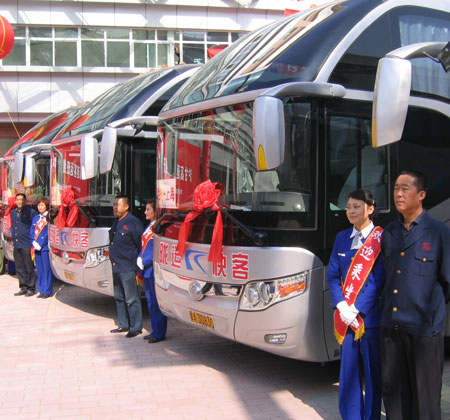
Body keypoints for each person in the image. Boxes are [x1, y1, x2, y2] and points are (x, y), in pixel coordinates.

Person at [380, 170, 450, 420]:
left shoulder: (438, 232)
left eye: (405, 189)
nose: (398, 194)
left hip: (424, 330)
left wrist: (429, 311)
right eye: (396, 188)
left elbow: (447, 281)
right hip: (393, 327)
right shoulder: (389, 232)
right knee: (395, 395)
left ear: (421, 195)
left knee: (425, 397)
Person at [328, 189, 384, 420]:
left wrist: (357, 309)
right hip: (346, 319)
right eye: (348, 207)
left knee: (372, 372)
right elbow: (333, 276)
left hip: (369, 318)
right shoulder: (341, 238)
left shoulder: (381, 239)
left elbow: (379, 279)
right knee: (348, 372)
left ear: (370, 209)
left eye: (356, 207)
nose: (350, 211)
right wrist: (341, 305)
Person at [109, 195, 144, 338]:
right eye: (114, 205)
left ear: (126, 206)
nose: (115, 207)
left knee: (131, 298)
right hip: (116, 265)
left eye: (118, 205)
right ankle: (123, 324)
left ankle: (136, 327)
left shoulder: (133, 222)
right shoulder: (116, 221)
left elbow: (140, 244)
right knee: (119, 297)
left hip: (128, 267)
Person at [137, 200, 167, 343]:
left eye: (148, 209)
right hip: (146, 269)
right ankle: (155, 330)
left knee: (155, 302)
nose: (145, 212)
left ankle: (159, 332)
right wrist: (139, 257)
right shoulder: (149, 226)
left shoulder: (159, 228)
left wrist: (145, 260)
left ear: (156, 211)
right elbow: (144, 245)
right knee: (150, 302)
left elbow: (157, 249)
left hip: (153, 268)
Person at [11, 193, 37, 296]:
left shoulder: (31, 212)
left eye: (21, 200)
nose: (19, 202)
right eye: (18, 200)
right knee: (19, 267)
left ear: (25, 201)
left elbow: (34, 227)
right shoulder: (13, 212)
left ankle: (31, 288)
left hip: (26, 243)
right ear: (15, 201)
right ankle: (23, 287)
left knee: (28, 267)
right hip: (17, 243)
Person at [30, 197, 52, 298]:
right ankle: (41, 290)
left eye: (42, 205)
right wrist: (33, 242)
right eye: (39, 205)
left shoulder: (49, 217)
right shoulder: (36, 218)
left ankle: (47, 291)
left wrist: (41, 243)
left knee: (46, 269)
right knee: (39, 270)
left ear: (46, 206)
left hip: (44, 247)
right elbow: (31, 231)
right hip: (36, 247)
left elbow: (48, 233)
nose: (40, 207)